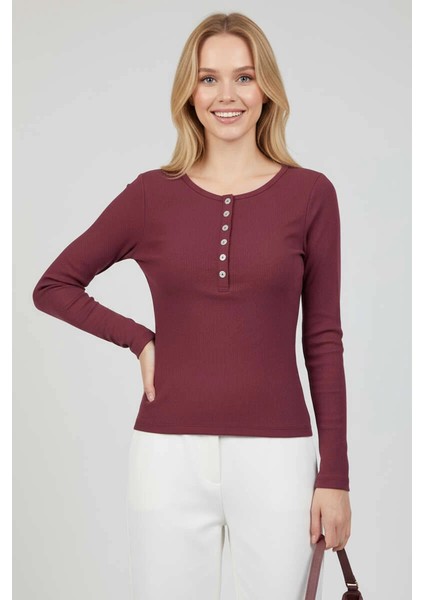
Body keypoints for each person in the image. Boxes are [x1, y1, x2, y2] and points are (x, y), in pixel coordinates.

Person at [32, 11, 352, 600]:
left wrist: (335, 475)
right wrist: (139, 339)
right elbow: (54, 285)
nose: (227, 95)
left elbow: (323, 340)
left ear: (266, 90)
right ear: (189, 92)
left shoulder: (310, 194)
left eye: (244, 77)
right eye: (209, 79)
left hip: (279, 457)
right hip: (166, 456)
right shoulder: (151, 195)